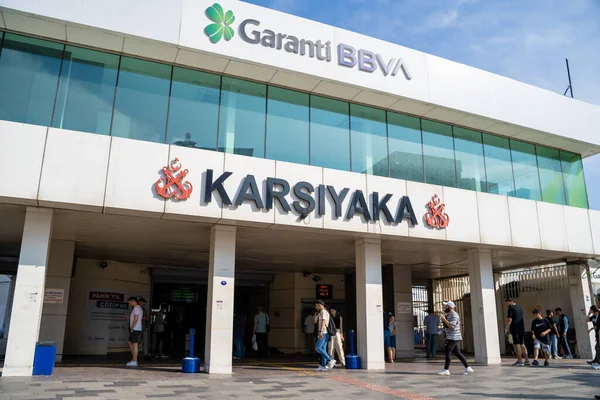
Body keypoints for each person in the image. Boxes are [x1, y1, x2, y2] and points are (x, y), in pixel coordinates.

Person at [437, 301, 473, 376]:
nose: (444, 307)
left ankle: (446, 369)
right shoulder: (448, 315)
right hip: (451, 336)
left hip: (453, 337)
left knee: (447, 351)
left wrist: (443, 319)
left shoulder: (454, 315)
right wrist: (441, 331)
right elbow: (447, 327)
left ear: (450, 307)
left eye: (445, 306)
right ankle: (467, 367)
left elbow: (452, 326)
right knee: (457, 352)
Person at [504, 298, 530, 366]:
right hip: (521, 328)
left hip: (515, 328)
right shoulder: (520, 307)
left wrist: (506, 328)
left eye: (507, 302)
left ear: (511, 302)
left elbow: (509, 319)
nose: (507, 304)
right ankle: (527, 360)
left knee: (517, 344)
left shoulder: (511, 308)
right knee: (522, 343)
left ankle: (520, 361)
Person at [314, 300, 334, 371]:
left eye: (316, 306)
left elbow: (324, 321)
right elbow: (315, 321)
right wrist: (316, 313)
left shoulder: (324, 312)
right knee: (323, 349)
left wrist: (320, 331)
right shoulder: (320, 312)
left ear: (319, 305)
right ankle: (323, 365)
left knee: (318, 347)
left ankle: (330, 360)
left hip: (323, 332)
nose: (315, 307)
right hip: (324, 333)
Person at [127, 297, 143, 367]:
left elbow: (136, 319)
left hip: (135, 329)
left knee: (134, 344)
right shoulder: (138, 308)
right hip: (136, 328)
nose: (129, 304)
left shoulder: (136, 308)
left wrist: (132, 328)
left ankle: (135, 361)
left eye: (129, 302)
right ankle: (134, 359)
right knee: (130, 343)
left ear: (133, 301)